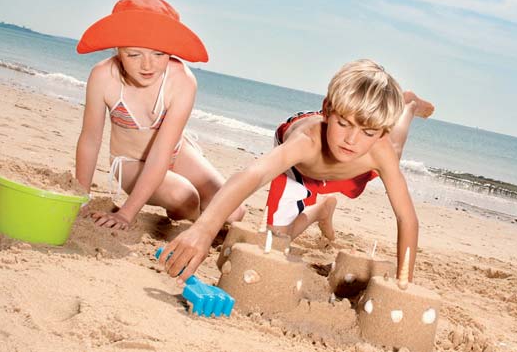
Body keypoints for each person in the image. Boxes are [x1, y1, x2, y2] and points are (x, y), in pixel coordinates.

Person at [160, 59, 434, 283]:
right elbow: (251, 176)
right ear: (327, 110)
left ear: (379, 132)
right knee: (275, 242)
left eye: (369, 131)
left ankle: (406, 105)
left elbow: (406, 218)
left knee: (393, 151)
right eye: (344, 123)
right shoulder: (307, 142)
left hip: (351, 169)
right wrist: (204, 230)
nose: (351, 139)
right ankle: (319, 209)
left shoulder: (377, 147)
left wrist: (404, 282)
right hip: (300, 170)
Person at [75, 0, 244, 229]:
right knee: (185, 198)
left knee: (234, 211)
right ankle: (193, 217)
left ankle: (193, 210)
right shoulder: (103, 76)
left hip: (174, 152)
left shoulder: (182, 80)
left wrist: (126, 214)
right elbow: (90, 139)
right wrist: (83, 198)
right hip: (131, 161)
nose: (147, 65)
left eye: (158, 54)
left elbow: (162, 152)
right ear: (118, 49)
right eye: (134, 54)